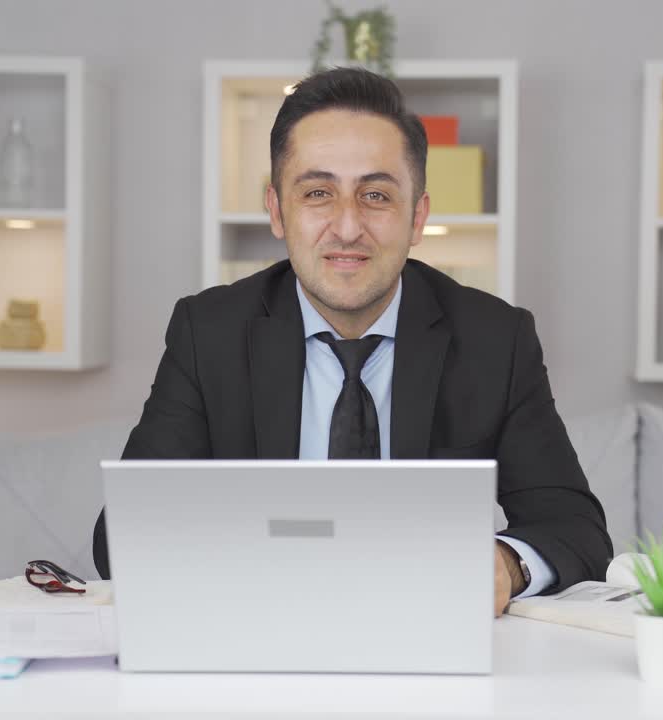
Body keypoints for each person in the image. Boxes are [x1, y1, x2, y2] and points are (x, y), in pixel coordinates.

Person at [93, 67, 611, 616]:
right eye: (318, 193)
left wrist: (507, 564)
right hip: (257, 631)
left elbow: (574, 526)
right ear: (276, 211)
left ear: (418, 217)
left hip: (424, 635)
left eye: (376, 195)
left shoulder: (495, 340)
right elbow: (123, 536)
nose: (346, 227)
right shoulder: (208, 333)